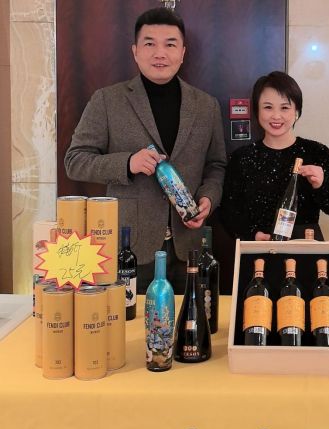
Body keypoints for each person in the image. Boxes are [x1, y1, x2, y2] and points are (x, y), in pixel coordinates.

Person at [64, 7, 226, 293]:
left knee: (188, 317)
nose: (160, 53)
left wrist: (208, 198)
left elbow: (216, 165)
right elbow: (75, 161)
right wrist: (127, 163)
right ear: (135, 51)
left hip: (188, 245)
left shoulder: (206, 105)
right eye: (150, 43)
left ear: (183, 52)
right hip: (130, 246)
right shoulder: (107, 100)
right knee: (129, 320)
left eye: (170, 44)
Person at [221, 71, 329, 241]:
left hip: (306, 248)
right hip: (259, 249)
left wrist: (321, 185)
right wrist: (253, 234)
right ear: (257, 111)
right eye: (268, 107)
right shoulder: (242, 157)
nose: (276, 116)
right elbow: (228, 211)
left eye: (285, 108)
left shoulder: (317, 152)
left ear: (297, 112)